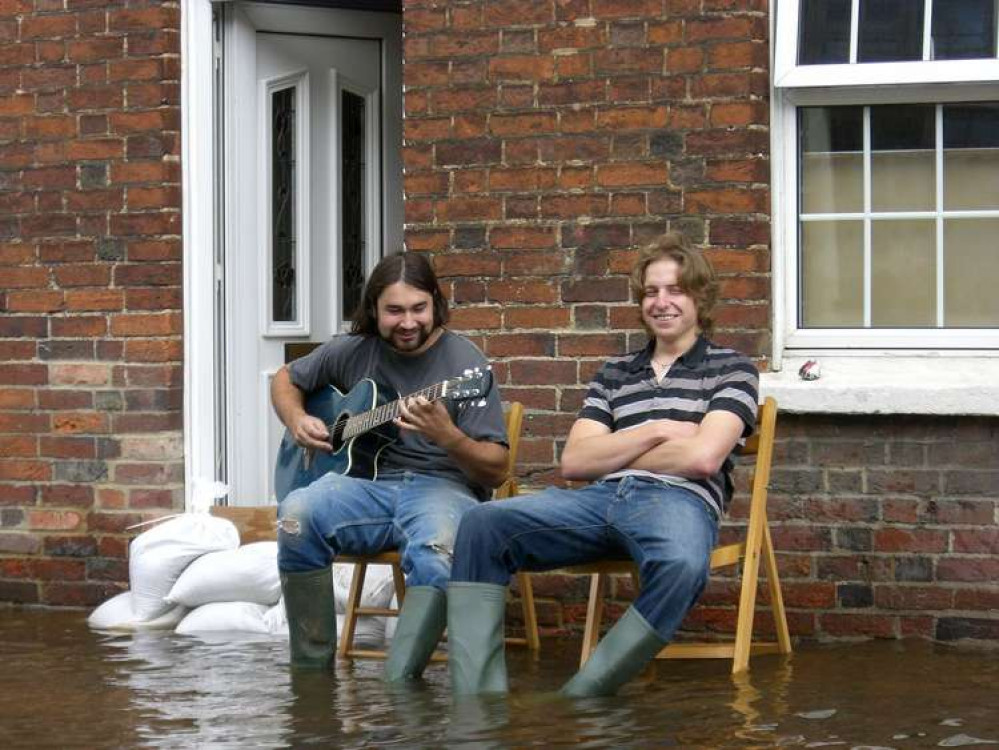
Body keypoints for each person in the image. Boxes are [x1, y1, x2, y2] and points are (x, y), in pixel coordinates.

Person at [446, 231, 759, 698]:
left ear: (699, 296)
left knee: (680, 563)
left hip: (678, 502)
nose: (662, 302)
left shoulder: (732, 369)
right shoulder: (614, 373)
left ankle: (585, 693)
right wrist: (657, 429)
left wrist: (616, 447)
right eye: (651, 291)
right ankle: (477, 701)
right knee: (482, 524)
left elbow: (703, 457)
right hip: (597, 500)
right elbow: (575, 462)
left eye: (675, 289)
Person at [272, 252, 509, 681]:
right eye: (394, 310)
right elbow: (286, 378)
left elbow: (496, 470)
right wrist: (297, 419)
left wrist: (448, 436)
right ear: (374, 310)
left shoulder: (467, 366)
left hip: (442, 487)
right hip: (366, 486)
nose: (408, 322)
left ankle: (400, 684)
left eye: (418, 308)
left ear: (435, 303)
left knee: (438, 551)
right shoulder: (354, 352)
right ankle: (310, 679)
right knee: (295, 516)